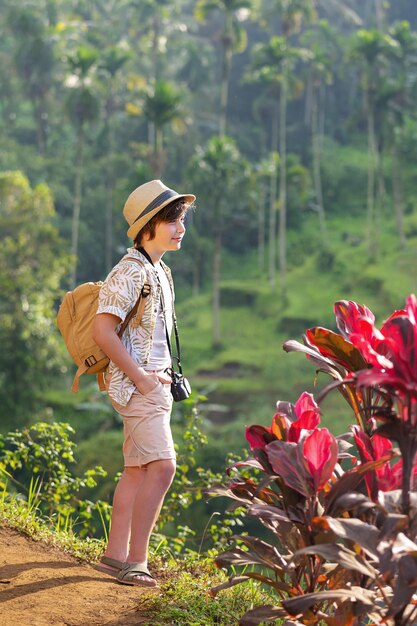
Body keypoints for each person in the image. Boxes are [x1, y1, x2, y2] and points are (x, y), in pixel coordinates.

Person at [92, 179, 195, 587]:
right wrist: (142, 379)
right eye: (172, 220)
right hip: (140, 388)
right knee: (163, 467)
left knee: (136, 470)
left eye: (181, 219)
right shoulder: (128, 272)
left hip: (155, 386)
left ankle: (115, 557)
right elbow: (103, 332)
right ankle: (138, 563)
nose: (180, 227)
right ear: (147, 225)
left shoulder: (160, 271)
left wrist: (159, 381)